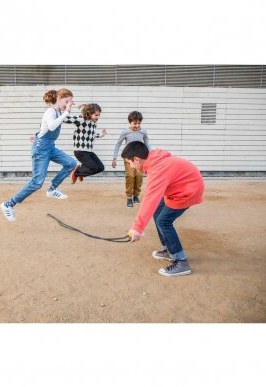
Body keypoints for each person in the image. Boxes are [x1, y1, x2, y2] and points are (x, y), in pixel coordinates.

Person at [121, 141, 204, 277]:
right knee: (157, 213)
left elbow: (149, 199)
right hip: (180, 188)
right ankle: (168, 250)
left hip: (188, 192)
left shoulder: (158, 169)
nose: (130, 166)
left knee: (163, 221)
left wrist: (137, 228)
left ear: (136, 159)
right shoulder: (154, 162)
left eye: (129, 162)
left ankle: (181, 262)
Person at [0, 88, 77, 222]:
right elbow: (52, 126)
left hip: (49, 146)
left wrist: (37, 135)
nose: (69, 104)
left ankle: (52, 189)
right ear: (59, 98)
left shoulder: (58, 111)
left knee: (71, 163)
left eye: (70, 101)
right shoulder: (51, 111)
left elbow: (45, 127)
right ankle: (8, 204)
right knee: (36, 183)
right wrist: (66, 112)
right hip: (41, 149)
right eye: (67, 101)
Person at [112, 111, 151, 208]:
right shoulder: (125, 132)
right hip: (128, 157)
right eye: (135, 123)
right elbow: (118, 144)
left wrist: (151, 155)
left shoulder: (143, 131)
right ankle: (129, 197)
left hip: (140, 158)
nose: (137, 125)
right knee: (130, 175)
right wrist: (114, 158)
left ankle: (136, 195)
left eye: (139, 123)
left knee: (139, 176)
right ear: (130, 122)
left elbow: (147, 143)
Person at [63, 103, 107, 183]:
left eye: (99, 115)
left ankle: (81, 172)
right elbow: (65, 119)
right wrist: (62, 112)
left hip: (89, 151)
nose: (98, 117)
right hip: (80, 151)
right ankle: (77, 172)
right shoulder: (81, 120)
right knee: (93, 168)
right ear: (89, 114)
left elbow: (92, 135)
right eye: (96, 115)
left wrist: (101, 134)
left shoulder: (93, 124)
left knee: (101, 168)